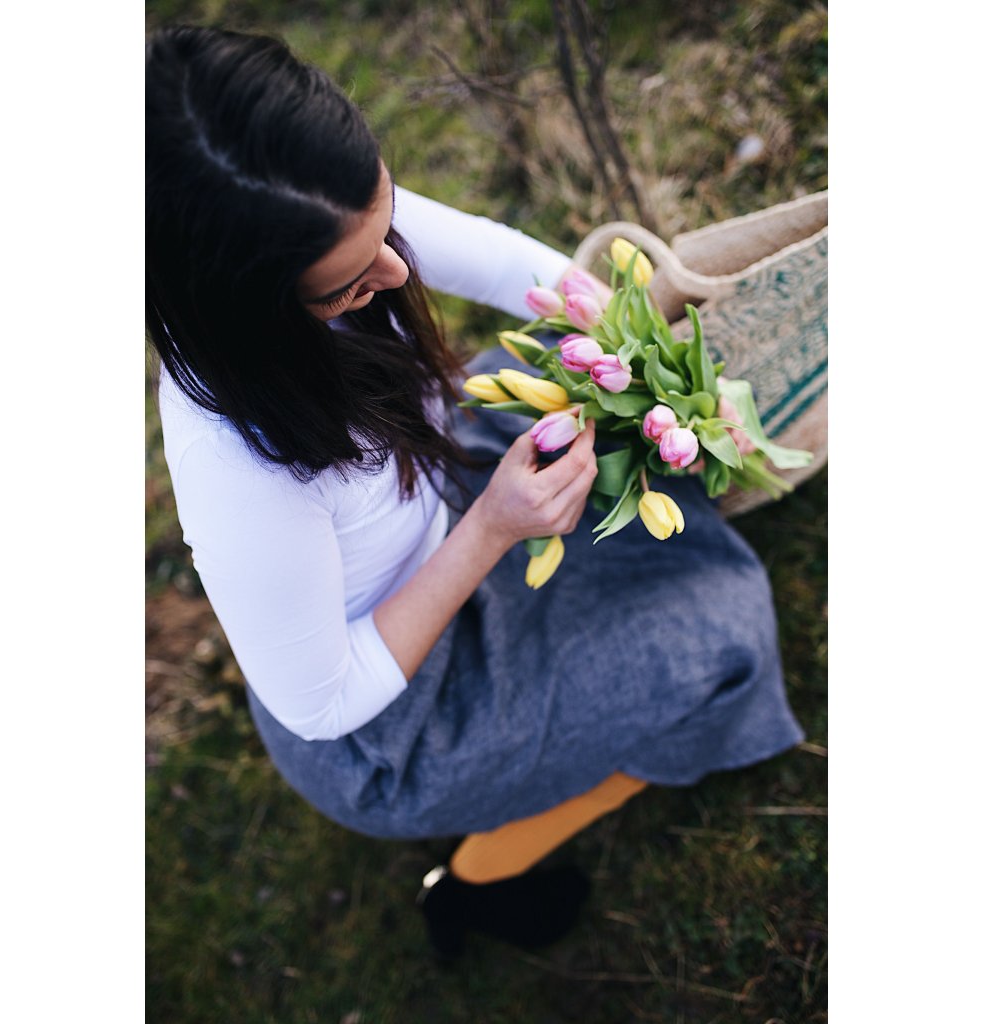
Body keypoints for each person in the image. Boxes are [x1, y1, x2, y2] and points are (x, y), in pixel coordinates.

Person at [146, 24, 804, 956]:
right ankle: (478, 881)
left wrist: (629, 348)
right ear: (244, 304)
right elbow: (324, 703)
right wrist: (493, 528)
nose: (396, 272)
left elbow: (503, 265)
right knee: (722, 633)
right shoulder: (239, 466)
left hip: (439, 495)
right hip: (400, 714)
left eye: (387, 226)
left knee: (575, 412)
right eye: (345, 288)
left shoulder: (315, 208)